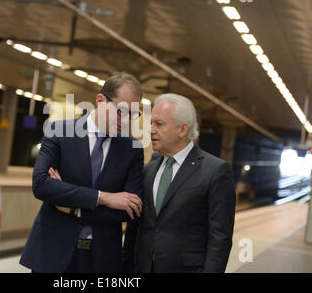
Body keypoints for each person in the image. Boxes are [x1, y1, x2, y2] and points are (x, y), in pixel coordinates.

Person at [19, 72, 145, 273]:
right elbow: (42, 185)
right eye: (121, 111)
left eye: (133, 114)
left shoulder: (132, 149)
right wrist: (104, 198)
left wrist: (73, 208)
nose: (127, 120)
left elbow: (129, 210)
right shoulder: (59, 131)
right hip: (53, 253)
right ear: (100, 100)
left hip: (102, 260)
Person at [122, 93, 236, 273]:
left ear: (183, 130)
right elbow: (134, 229)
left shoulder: (215, 171)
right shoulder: (148, 170)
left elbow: (219, 240)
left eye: (159, 124)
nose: (151, 130)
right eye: (151, 123)